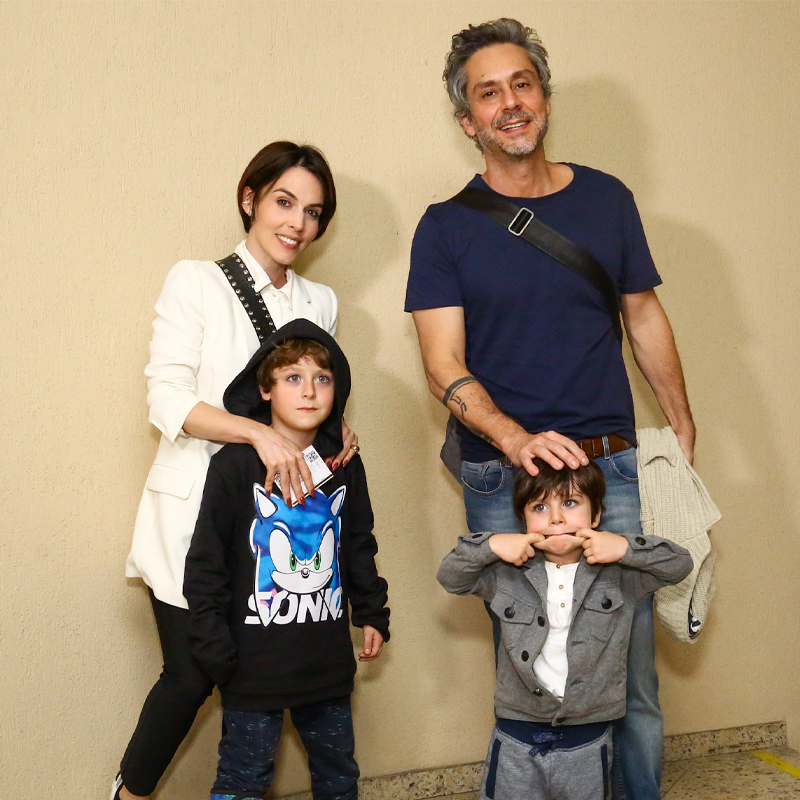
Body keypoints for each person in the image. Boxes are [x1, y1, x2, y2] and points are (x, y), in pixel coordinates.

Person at [405, 18, 695, 800]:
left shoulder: (607, 199)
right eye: (488, 93)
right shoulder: (444, 228)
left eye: (522, 84)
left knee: (628, 674)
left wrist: (681, 424)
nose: (509, 103)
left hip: (610, 470)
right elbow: (442, 365)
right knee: (533, 670)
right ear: (468, 120)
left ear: (545, 98)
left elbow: (643, 315)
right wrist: (514, 437)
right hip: (500, 478)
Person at [112, 142, 359, 800]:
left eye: (313, 212)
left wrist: (335, 432)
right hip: (195, 512)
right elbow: (167, 398)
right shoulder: (196, 281)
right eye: (284, 202)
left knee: (266, 683)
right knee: (192, 674)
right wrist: (256, 433)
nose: (297, 224)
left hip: (278, 531)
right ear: (250, 200)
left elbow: (312, 393)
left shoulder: (320, 300)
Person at [183, 319, 389, 800]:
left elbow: (358, 542)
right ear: (265, 390)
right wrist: (214, 649)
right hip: (252, 667)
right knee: (244, 777)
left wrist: (372, 612)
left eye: (322, 378)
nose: (309, 391)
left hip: (325, 664)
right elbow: (207, 562)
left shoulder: (343, 465)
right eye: (293, 378)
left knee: (338, 776)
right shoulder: (233, 466)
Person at [437, 461, 692, 800]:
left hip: (587, 738)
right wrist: (492, 544)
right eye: (540, 507)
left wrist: (625, 547)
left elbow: (680, 564)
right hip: (516, 734)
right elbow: (451, 577)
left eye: (570, 503)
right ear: (524, 520)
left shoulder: (620, 574)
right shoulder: (505, 572)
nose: (556, 518)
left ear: (595, 516)